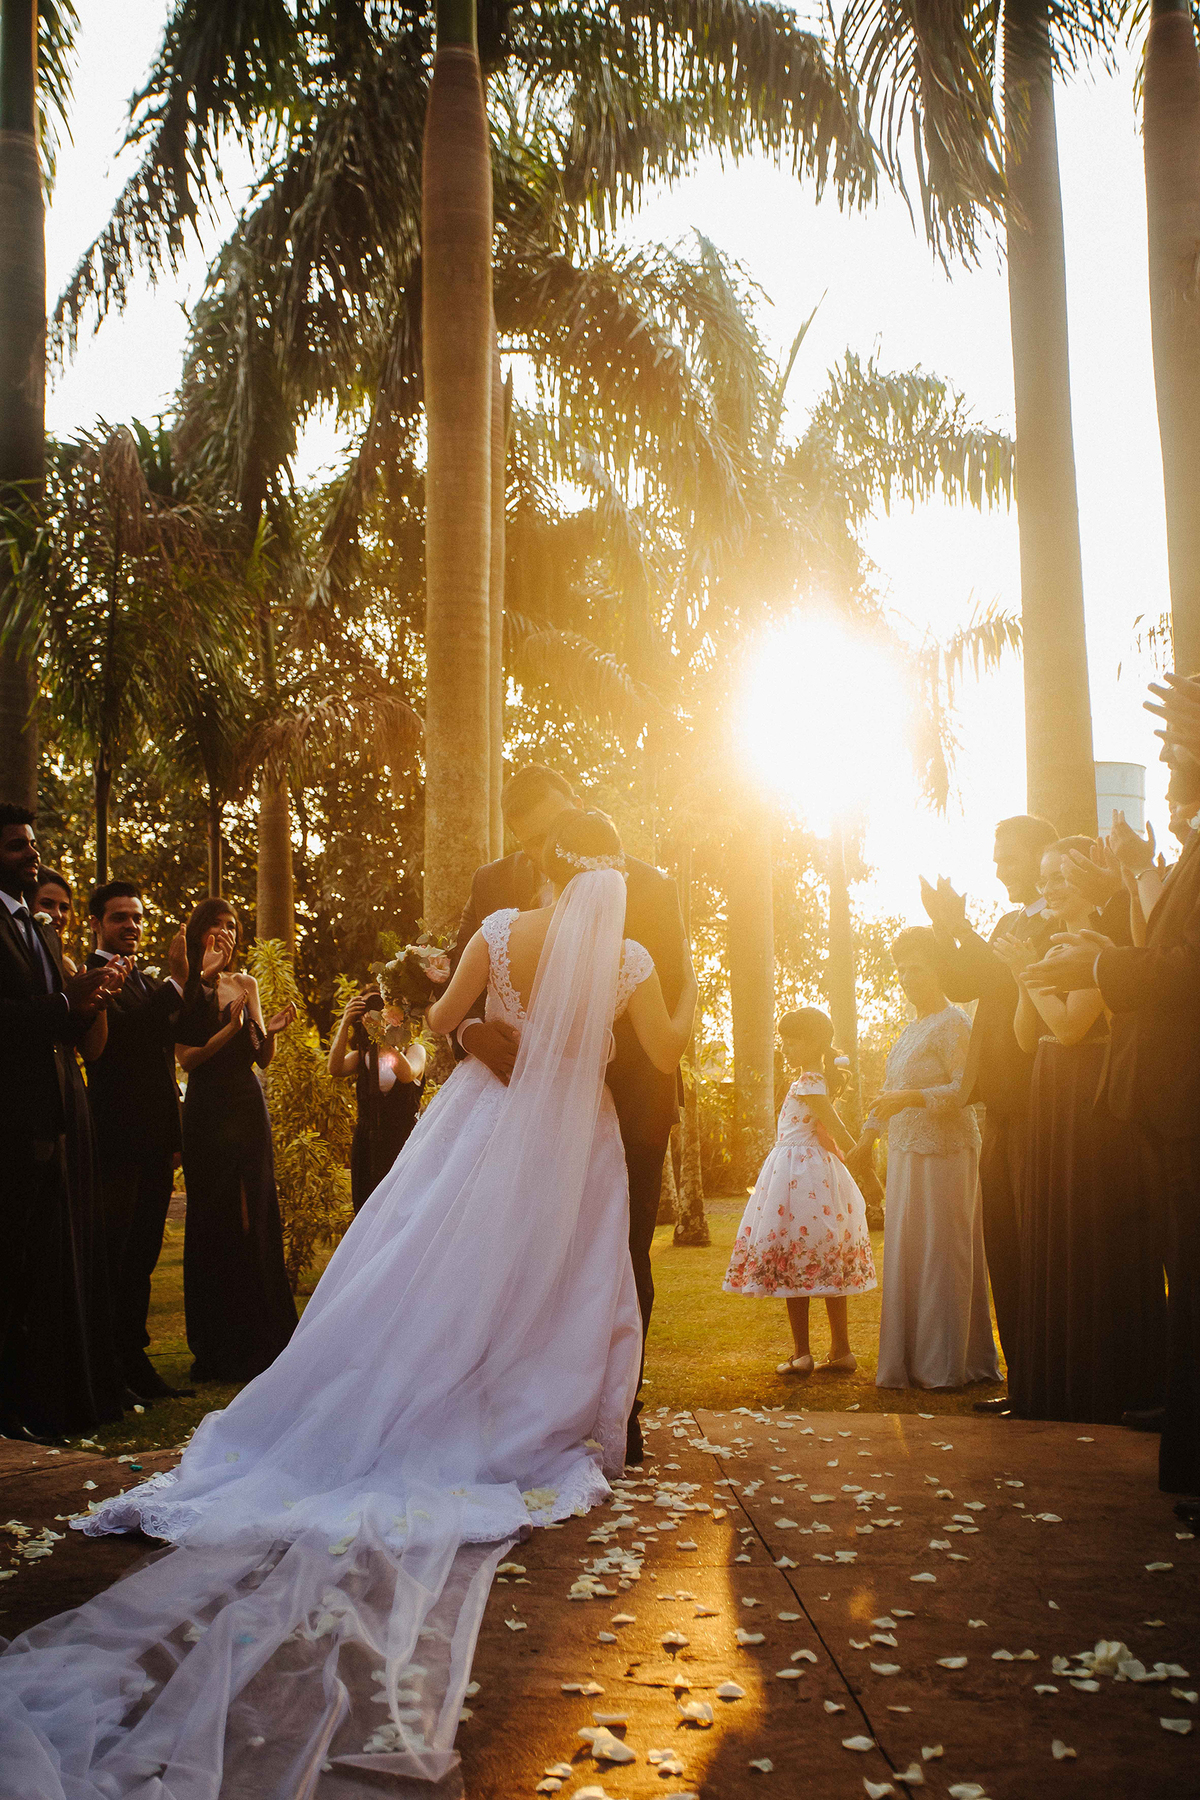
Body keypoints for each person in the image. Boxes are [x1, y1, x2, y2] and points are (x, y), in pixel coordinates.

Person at [0, 810, 698, 1794]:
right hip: (571, 1138)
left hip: (482, 1125)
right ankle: (527, 1419)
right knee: (553, 1283)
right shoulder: (628, 959)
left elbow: (439, 1026)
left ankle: (433, 1402)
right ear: (609, 873)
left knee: (448, 1275)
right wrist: (690, 994)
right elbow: (662, 1053)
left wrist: (476, 1029)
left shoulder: (502, 933)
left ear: (543, 864)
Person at [451, 763, 690, 1464]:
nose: (541, 850)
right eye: (527, 840)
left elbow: (668, 989)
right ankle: (506, 1403)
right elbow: (457, 981)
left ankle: (616, 1409)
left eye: (551, 831)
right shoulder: (492, 886)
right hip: (516, 1106)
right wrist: (468, 1032)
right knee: (506, 1249)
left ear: (576, 808)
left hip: (627, 1103)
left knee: (619, 1254)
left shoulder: (648, 885)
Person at [1030, 673, 1200, 1518]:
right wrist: (1133, 880)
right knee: (1184, 1278)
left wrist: (1094, 964)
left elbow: (1182, 968)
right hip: (1164, 1100)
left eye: (1177, 754)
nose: (1167, 772)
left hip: (1186, 1095)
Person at [997, 840, 1166, 1424]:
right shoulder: (1048, 947)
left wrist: (1029, 978)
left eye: (1061, 877)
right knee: (1052, 1231)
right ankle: (1051, 1386)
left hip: (1089, 1096)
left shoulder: (1100, 945)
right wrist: (1023, 978)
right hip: (1049, 1091)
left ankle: (1103, 1386)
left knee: (1091, 1231)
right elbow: (1027, 1037)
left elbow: (1071, 1027)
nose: (1049, 888)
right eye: (1044, 877)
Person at [921, 813, 1058, 1411]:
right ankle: (1024, 1379)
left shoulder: (1058, 922)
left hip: (1039, 1098)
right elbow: (965, 981)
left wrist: (962, 929)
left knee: (1035, 1239)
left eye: (1009, 858)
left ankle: (1050, 1379)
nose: (999, 868)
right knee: (1005, 1242)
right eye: (997, 858)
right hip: (998, 1103)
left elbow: (1007, 981)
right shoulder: (1008, 923)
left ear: (1042, 857)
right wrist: (947, 926)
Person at [0, 805, 125, 1442]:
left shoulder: (41, 930)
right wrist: (61, 1002)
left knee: (31, 1270)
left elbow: (63, 1027)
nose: (32, 853)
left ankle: (24, 1402)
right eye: (16, 846)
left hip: (52, 1122)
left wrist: (89, 1001)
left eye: (33, 844)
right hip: (8, 1118)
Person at [84, 880, 218, 1403]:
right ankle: (109, 1366)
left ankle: (135, 1361)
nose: (132, 925)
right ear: (97, 924)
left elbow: (183, 1033)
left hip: (156, 1136)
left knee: (142, 1254)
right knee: (115, 1254)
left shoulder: (143, 979)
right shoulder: (93, 977)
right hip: (117, 1135)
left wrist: (195, 977)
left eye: (137, 916)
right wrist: (178, 980)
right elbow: (124, 1038)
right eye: (120, 917)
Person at [856, 928, 998, 1392]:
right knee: (910, 1251)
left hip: (946, 1153)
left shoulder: (955, 1024)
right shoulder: (911, 1029)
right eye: (900, 970)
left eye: (915, 968)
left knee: (943, 1251)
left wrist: (911, 1098)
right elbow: (889, 1093)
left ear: (938, 970)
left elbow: (966, 1089)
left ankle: (948, 1363)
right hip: (906, 1154)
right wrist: (867, 1139)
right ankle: (912, 1358)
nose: (906, 977)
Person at [175, 898, 299, 1383]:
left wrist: (272, 1031)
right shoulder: (187, 983)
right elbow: (187, 1059)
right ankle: (216, 1343)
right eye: (216, 924)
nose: (225, 932)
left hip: (246, 1103)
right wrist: (228, 1025)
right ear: (199, 932)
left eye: (231, 925)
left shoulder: (246, 983)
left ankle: (264, 1337)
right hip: (207, 1106)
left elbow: (261, 1056)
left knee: (256, 1210)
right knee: (214, 1213)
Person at [723, 1007, 876, 1375]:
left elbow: (835, 1127)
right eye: (784, 1040)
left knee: (797, 1255)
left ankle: (803, 1353)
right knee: (822, 1255)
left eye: (793, 1041)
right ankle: (840, 1350)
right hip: (807, 1171)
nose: (785, 1047)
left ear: (815, 1042)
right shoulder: (813, 1080)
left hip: (800, 1175)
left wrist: (864, 1163)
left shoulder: (809, 1081)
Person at [327, 987, 427, 1213]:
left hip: (403, 1141)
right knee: (367, 1210)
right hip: (367, 1143)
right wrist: (345, 1022)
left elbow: (407, 1074)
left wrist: (381, 1038)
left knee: (403, 1210)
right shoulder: (362, 1056)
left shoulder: (415, 1050)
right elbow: (334, 1068)